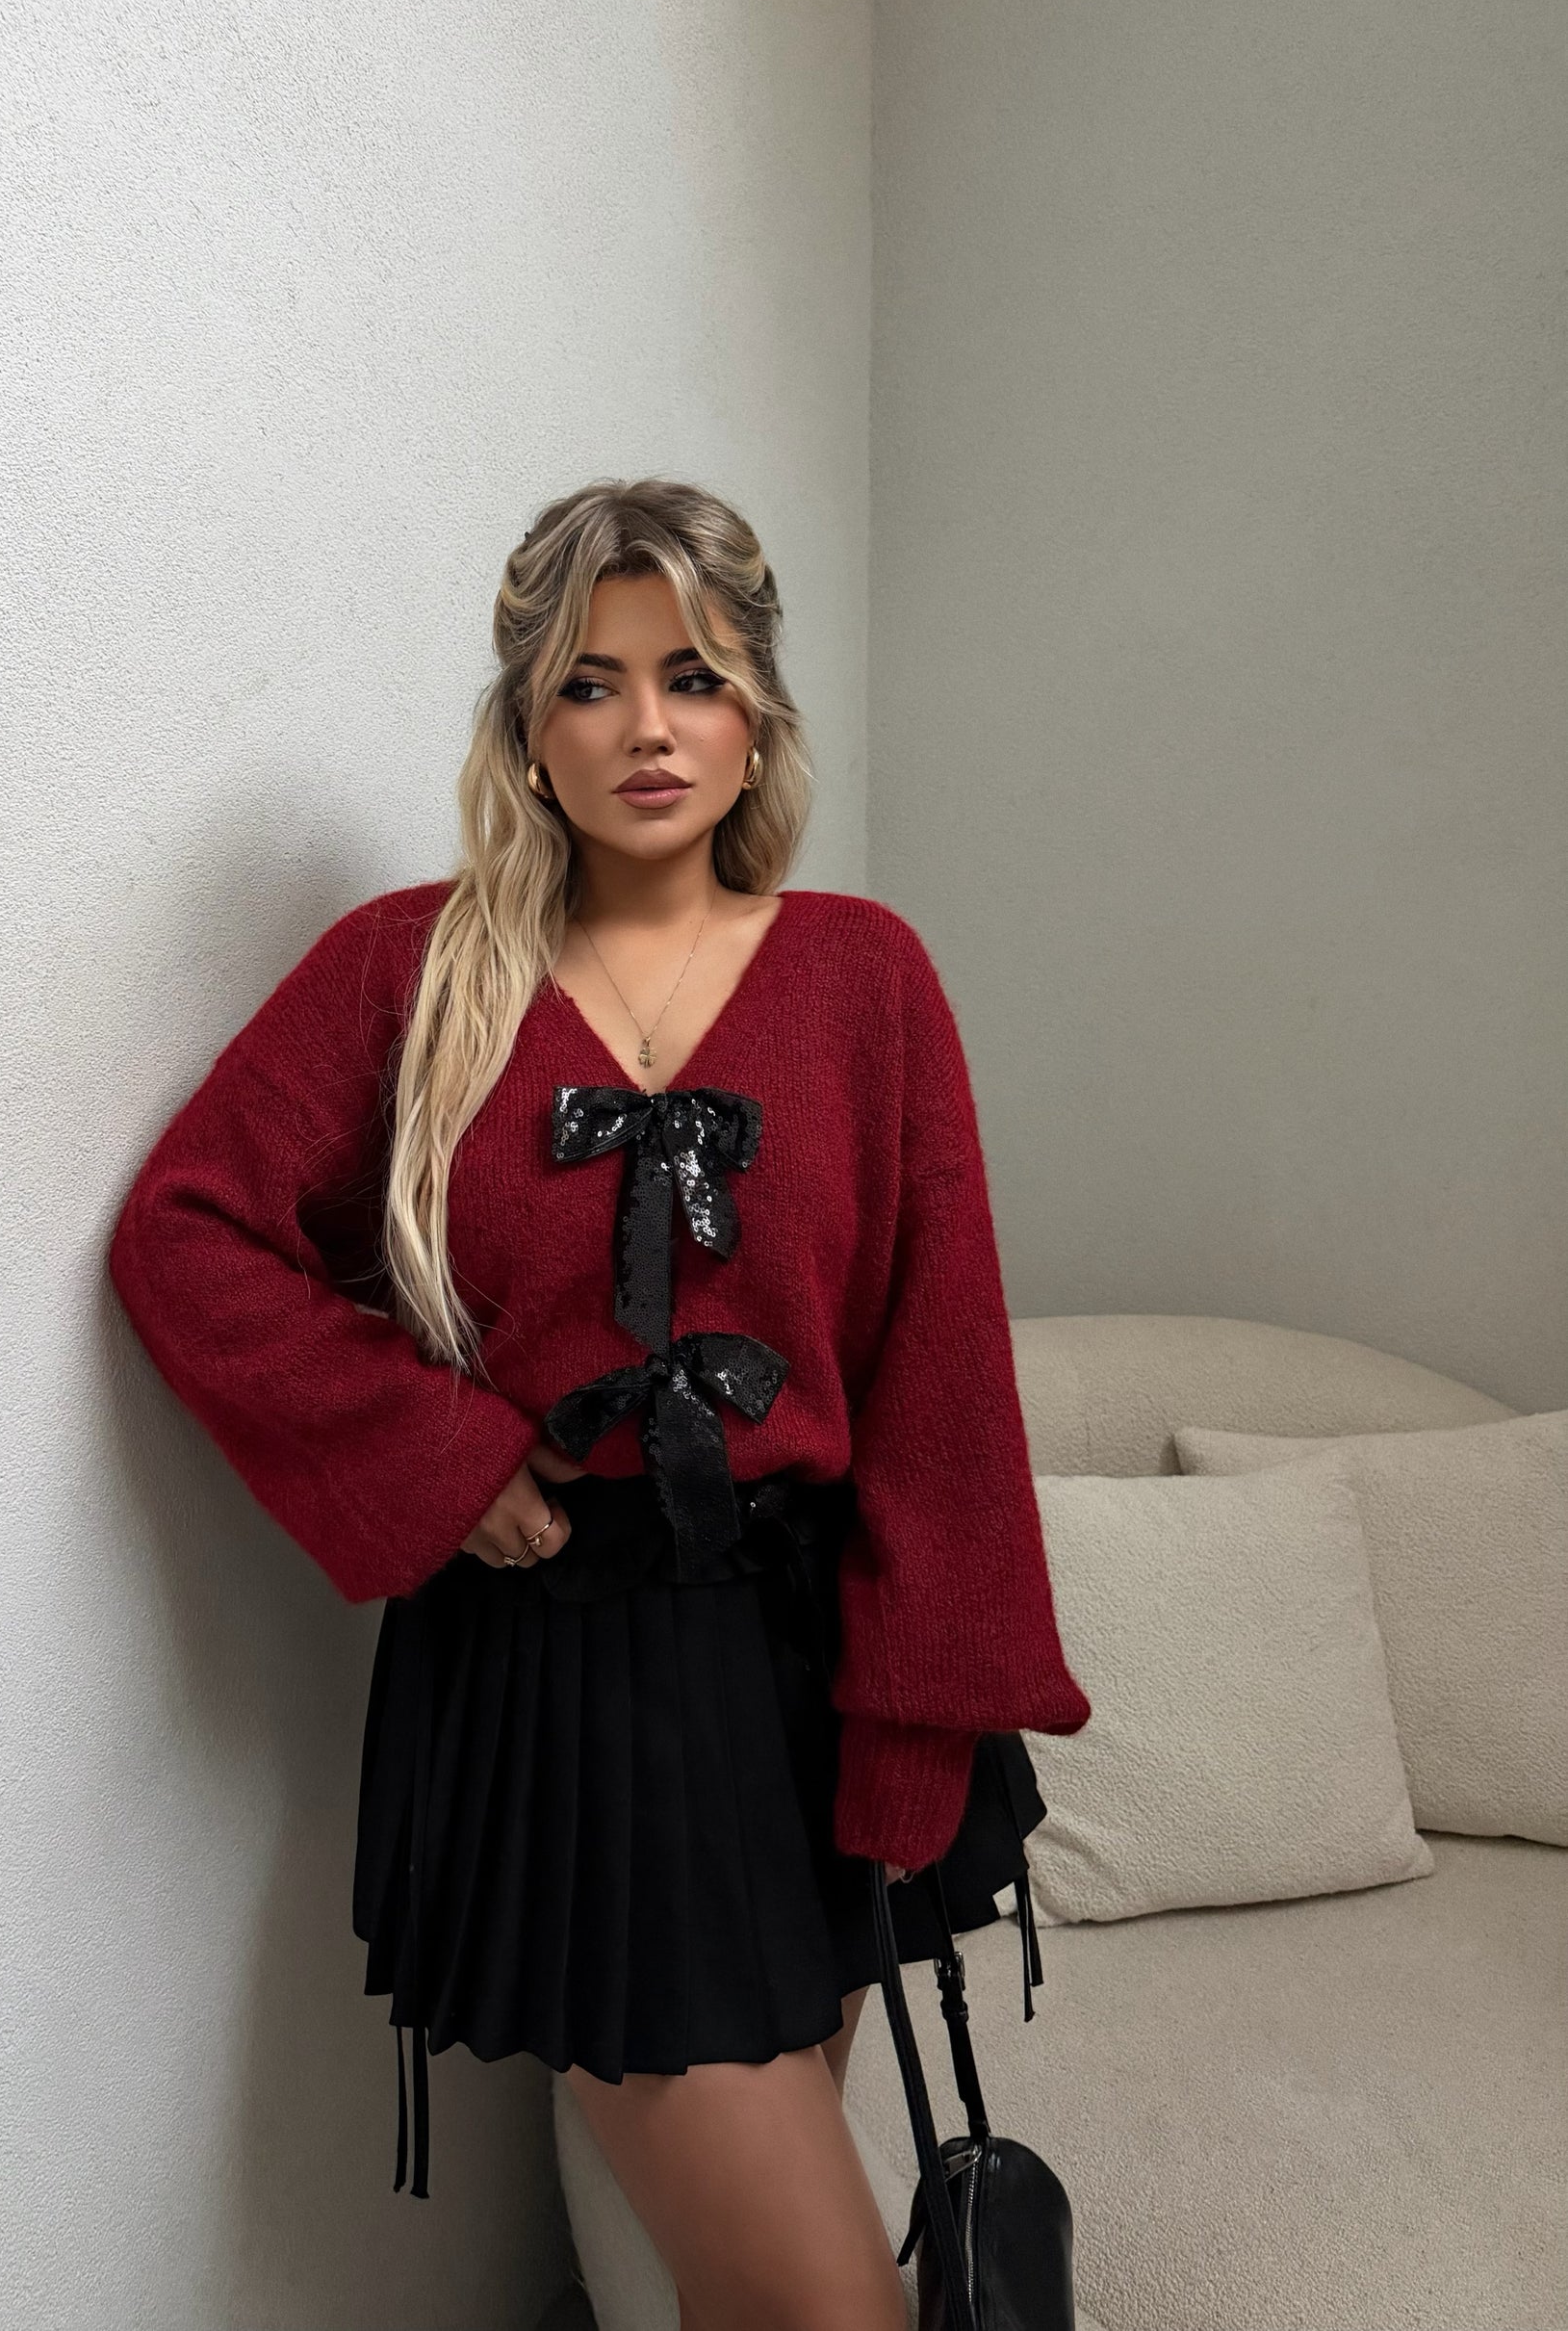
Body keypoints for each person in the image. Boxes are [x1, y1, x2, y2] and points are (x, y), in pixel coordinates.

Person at [107, 476, 1091, 2331]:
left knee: (739, 2281)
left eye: (692, 677)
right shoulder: (407, 968)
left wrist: (914, 1726)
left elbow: (940, 1374)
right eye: (590, 680)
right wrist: (444, 1455)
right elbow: (188, 1232)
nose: (647, 725)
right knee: (821, 2305)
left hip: (809, 1667)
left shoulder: (865, 976)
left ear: (755, 717)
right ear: (526, 729)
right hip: (567, 1679)